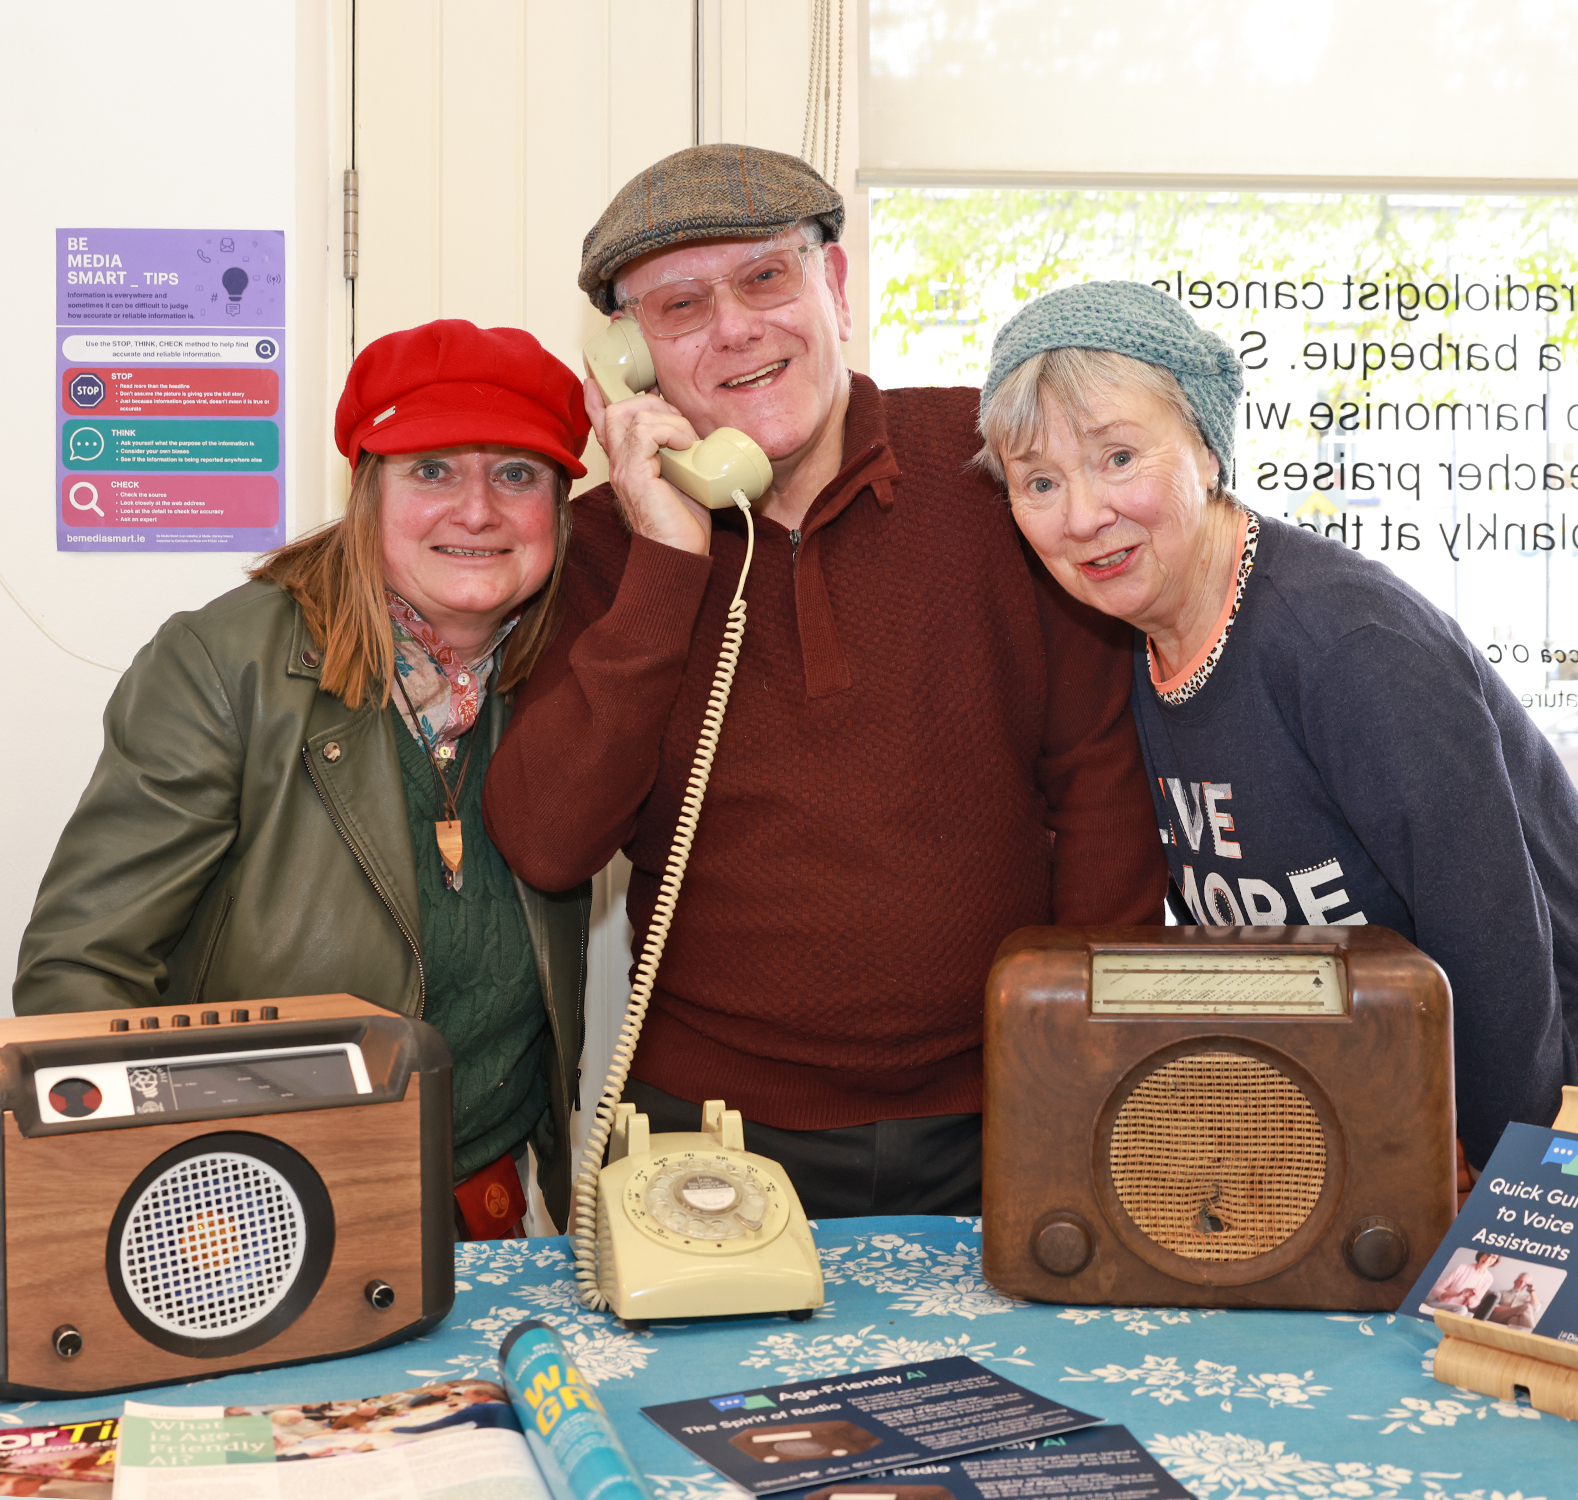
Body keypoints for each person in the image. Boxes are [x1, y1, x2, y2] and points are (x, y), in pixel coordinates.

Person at [481, 145, 1166, 1216]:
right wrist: (669, 567)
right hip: (710, 1131)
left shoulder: (999, 475)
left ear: (834, 288)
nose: (735, 328)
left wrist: (1086, 1069)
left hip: (1010, 1107)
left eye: (765, 277)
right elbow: (548, 843)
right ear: (629, 355)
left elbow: (1099, 788)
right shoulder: (607, 548)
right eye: (679, 305)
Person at [976, 279, 1578, 1172]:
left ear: (1207, 449)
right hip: (1406, 1082)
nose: (1083, 515)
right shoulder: (1131, 637)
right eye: (1040, 481)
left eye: (1119, 457)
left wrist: (1506, 1190)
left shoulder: (1348, 646)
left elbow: (1496, 956)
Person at [14, 320, 594, 1237]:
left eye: (516, 473)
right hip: (245, 1201)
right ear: (368, 492)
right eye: (432, 469)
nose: (477, 510)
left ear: (560, 508)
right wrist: (175, 1186)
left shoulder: (582, 674)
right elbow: (79, 972)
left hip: (483, 1196)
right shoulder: (224, 664)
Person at [1424, 1251, 1501, 1315]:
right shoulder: (1462, 1267)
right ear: (1482, 1254)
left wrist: (1471, 1298)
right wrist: (1459, 1294)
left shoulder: (1489, 1278)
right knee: (1462, 1309)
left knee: (1470, 1315)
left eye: (1493, 1257)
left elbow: (1475, 1303)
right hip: (1440, 1303)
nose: (1488, 1259)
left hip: (1458, 1310)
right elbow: (1436, 1291)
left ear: (1495, 1261)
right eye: (1487, 1254)